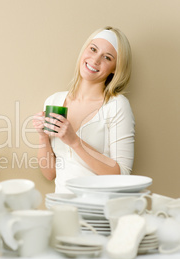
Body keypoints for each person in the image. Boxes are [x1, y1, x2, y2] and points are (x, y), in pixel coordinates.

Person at [32, 26, 135, 193]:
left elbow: (122, 176)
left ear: (116, 68)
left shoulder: (116, 106)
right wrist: (43, 138)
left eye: (107, 58)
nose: (95, 60)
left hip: (98, 211)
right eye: (93, 49)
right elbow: (50, 174)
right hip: (61, 208)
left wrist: (74, 141)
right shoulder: (54, 101)